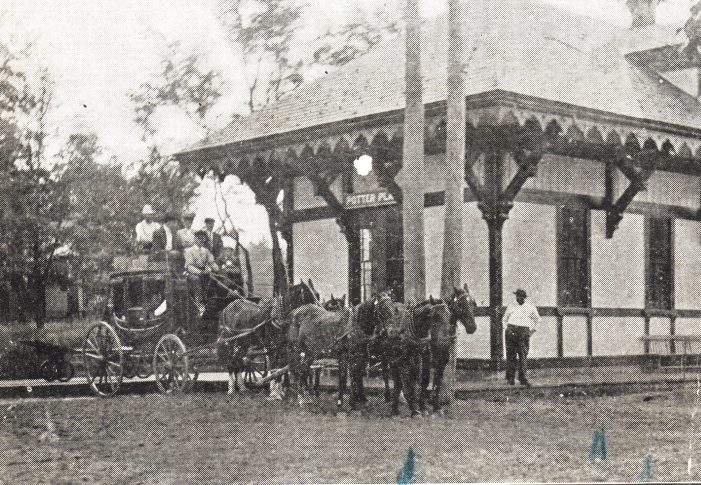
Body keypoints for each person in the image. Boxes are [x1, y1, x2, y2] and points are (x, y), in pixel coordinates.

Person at [503, 289, 541, 387]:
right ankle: (510, 378)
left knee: (522, 355)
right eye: (518, 296)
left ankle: (523, 378)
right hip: (511, 330)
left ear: (524, 298)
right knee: (510, 355)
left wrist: (532, 331)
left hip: (523, 332)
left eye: (521, 297)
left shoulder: (530, 307)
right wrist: (507, 329)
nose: (519, 298)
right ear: (516, 297)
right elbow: (504, 319)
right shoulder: (511, 305)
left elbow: (538, 320)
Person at [184, 231, 219, 314]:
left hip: (204, 271)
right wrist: (200, 272)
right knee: (196, 280)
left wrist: (215, 268)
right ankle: (200, 304)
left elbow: (211, 262)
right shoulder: (189, 251)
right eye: (199, 239)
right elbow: (189, 266)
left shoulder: (206, 251)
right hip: (192, 272)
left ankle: (212, 302)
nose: (201, 241)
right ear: (195, 239)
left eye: (202, 239)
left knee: (216, 279)